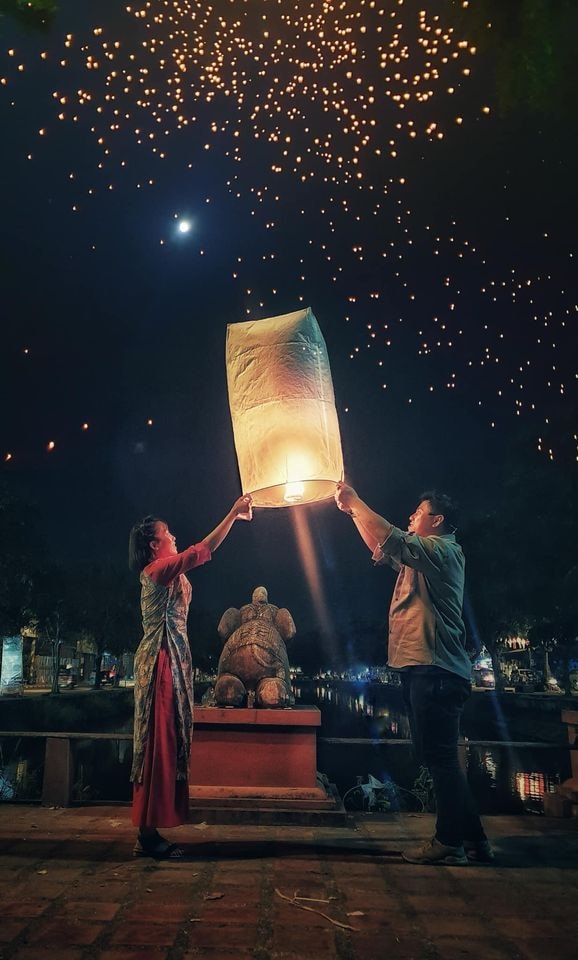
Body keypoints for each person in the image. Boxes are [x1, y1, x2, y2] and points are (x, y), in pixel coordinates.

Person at [334, 482, 492, 866]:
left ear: (436, 520)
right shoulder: (423, 558)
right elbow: (383, 544)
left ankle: (449, 842)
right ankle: (474, 840)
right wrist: (354, 511)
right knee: (439, 757)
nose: (411, 517)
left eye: (418, 513)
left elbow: (392, 535)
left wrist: (357, 500)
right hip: (426, 669)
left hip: (434, 669)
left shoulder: (442, 551)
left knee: (439, 758)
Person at [128, 494, 253, 859]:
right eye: (168, 534)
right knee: (158, 742)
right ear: (155, 545)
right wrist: (231, 514)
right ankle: (147, 832)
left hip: (174, 660)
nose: (174, 537)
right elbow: (202, 550)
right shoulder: (157, 570)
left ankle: (148, 831)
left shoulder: (169, 571)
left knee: (167, 740)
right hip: (160, 663)